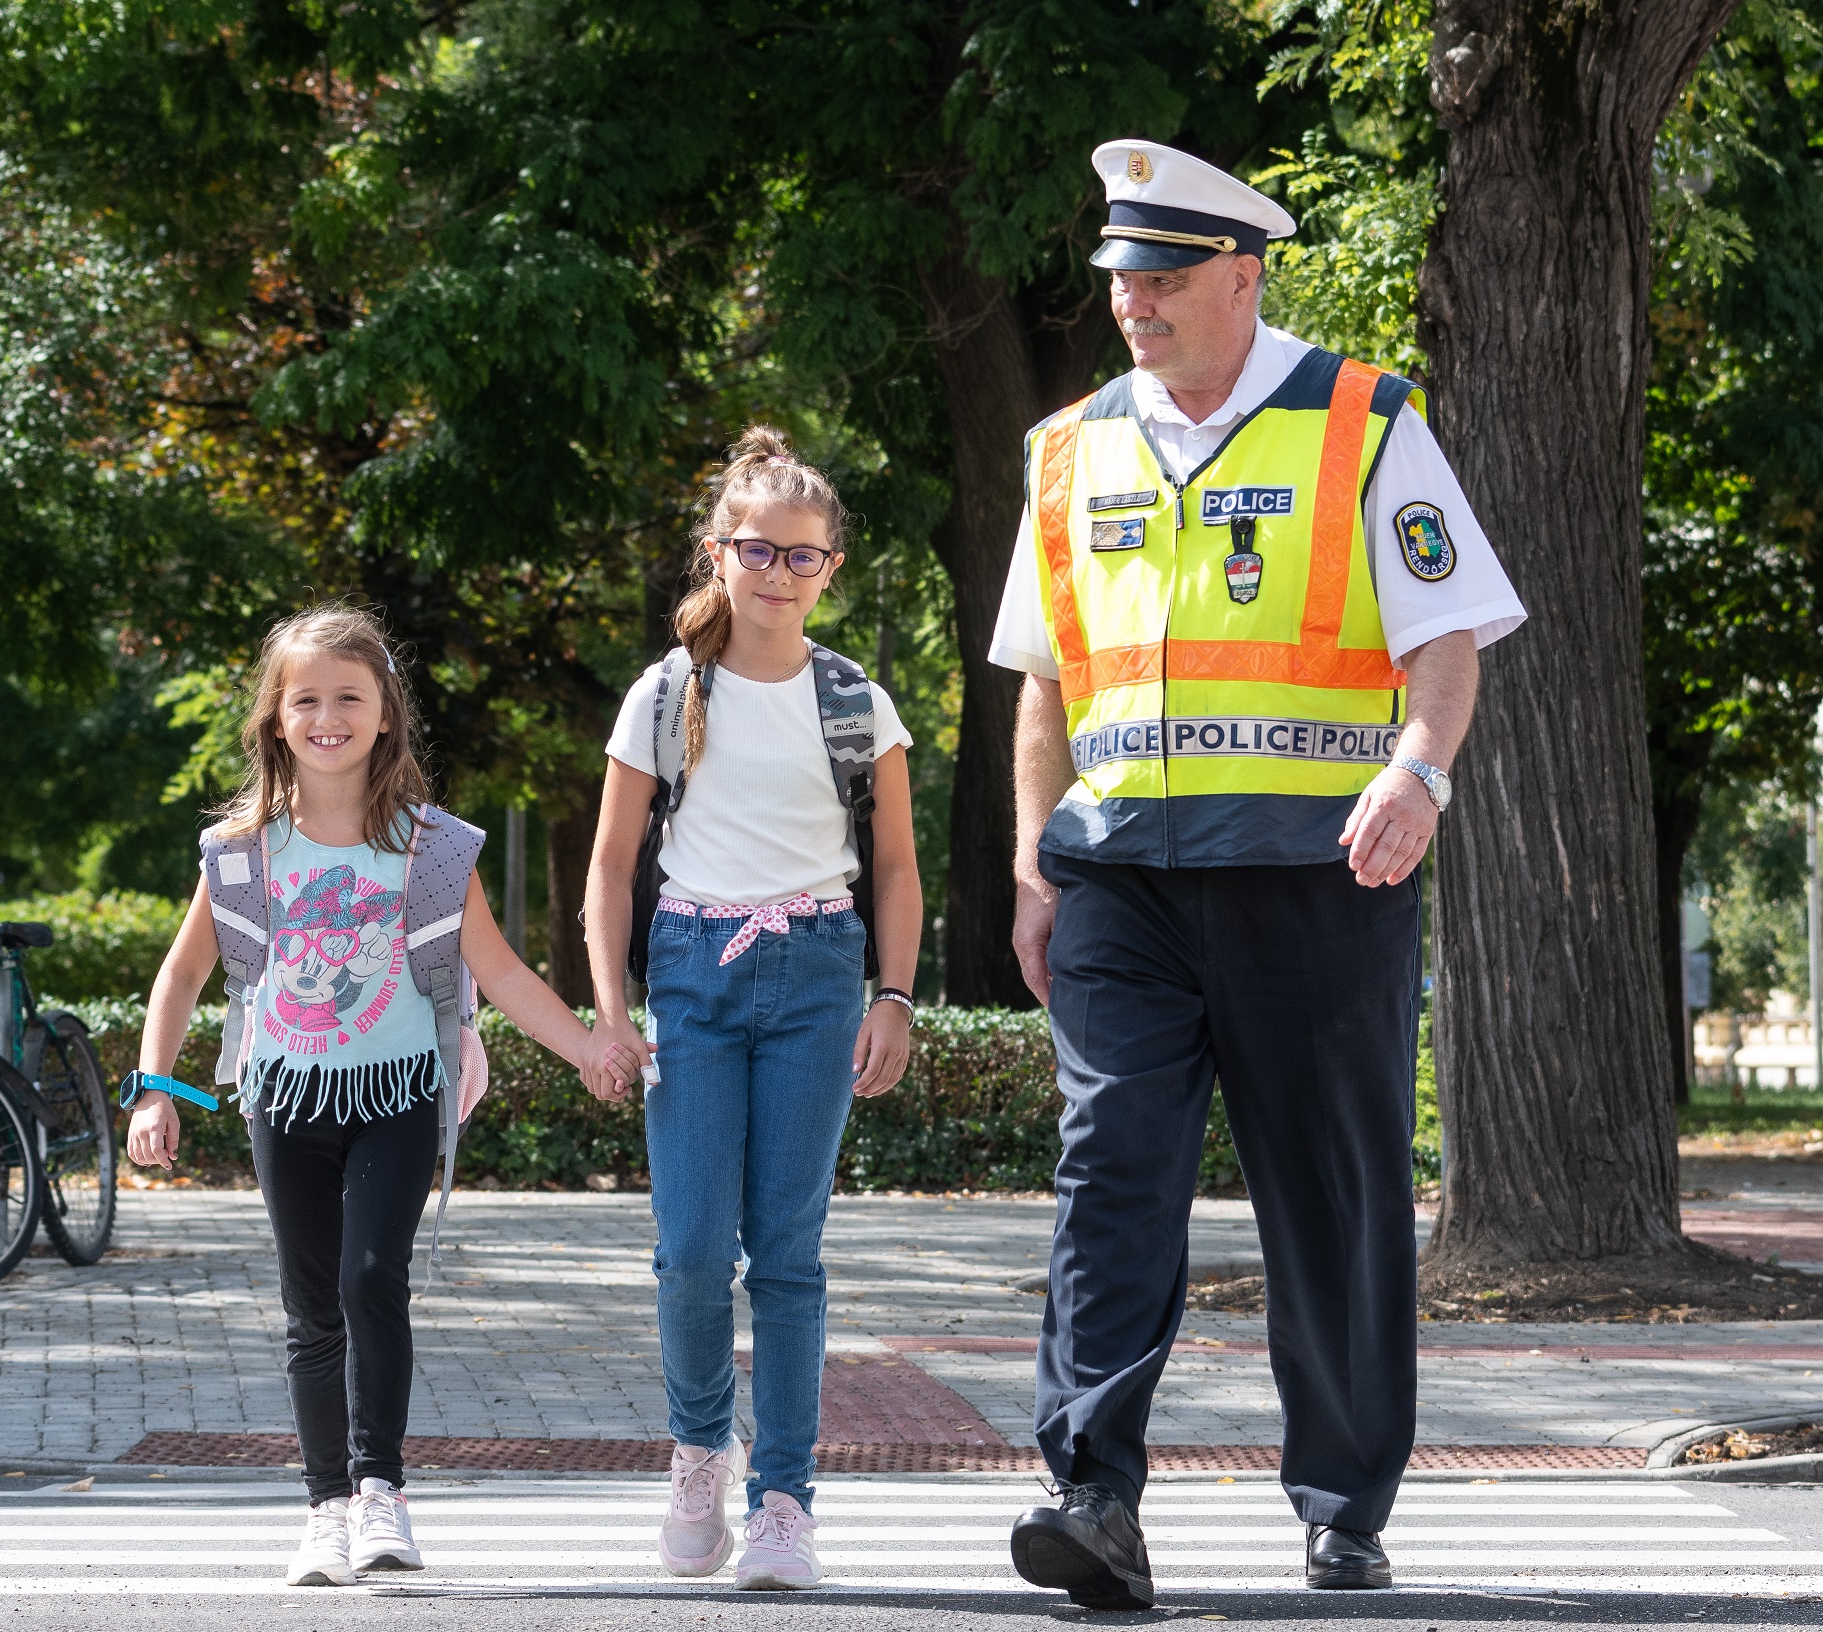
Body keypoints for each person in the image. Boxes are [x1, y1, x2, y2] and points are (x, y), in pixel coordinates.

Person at [994, 142, 1527, 1607]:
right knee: (1111, 1171)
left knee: (1335, 1191)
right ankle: (1089, 1490)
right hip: (1122, 882)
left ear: (1244, 276)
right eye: (1122, 283)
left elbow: (1447, 641)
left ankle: (1345, 1498)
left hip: (1317, 874)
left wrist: (1416, 777)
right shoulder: (1067, 447)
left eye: (1164, 281)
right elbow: (1043, 684)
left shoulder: (1365, 421)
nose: (1134, 308)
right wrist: (1037, 870)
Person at [124, 604, 639, 1589]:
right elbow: (180, 976)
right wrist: (155, 1089)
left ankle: (380, 1492)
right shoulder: (244, 850)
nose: (328, 717)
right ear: (277, 718)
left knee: (372, 1281)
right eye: (306, 699)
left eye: (348, 698)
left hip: (402, 1097)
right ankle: (324, 1508)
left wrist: (586, 1048)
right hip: (285, 1100)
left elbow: (504, 971)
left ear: (386, 716)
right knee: (311, 1306)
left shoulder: (430, 848)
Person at [584, 427, 925, 1590]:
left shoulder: (854, 701)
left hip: (819, 970)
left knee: (786, 1256)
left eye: (803, 557)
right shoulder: (668, 692)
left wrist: (894, 991)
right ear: (718, 555)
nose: (779, 574)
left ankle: (784, 1500)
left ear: (831, 567)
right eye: (757, 551)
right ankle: (695, 1458)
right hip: (691, 968)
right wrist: (610, 1009)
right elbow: (613, 866)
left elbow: (892, 868)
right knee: (688, 1252)